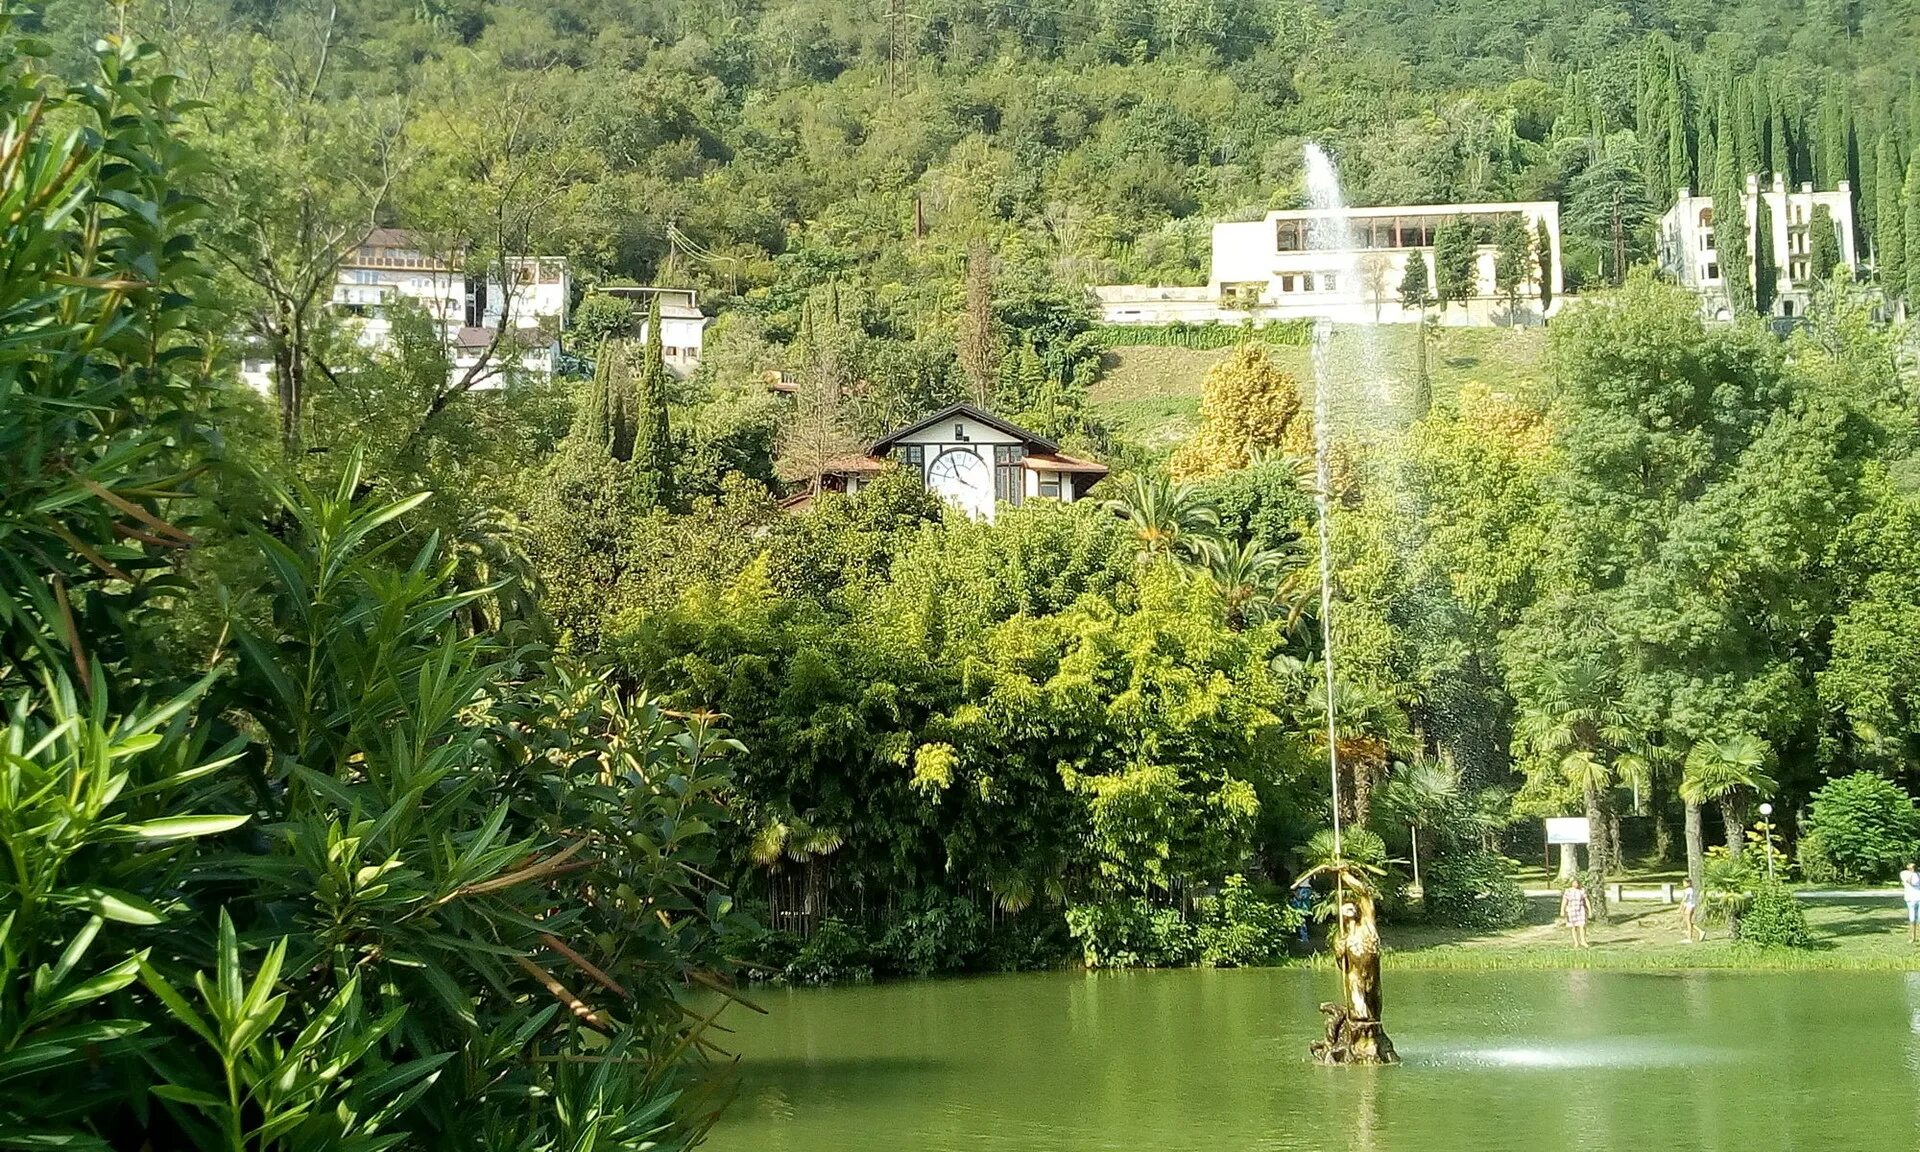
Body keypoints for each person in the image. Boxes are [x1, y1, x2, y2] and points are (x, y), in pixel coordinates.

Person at [1559, 877, 1591, 949]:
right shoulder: (1568, 891)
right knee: (1573, 927)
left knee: (1582, 925)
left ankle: (1583, 941)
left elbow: (1586, 900)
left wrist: (1589, 910)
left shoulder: (1582, 891)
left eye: (1576, 883)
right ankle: (1576, 942)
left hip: (1580, 909)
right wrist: (1562, 910)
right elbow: (1564, 901)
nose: (1575, 884)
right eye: (1573, 883)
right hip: (1571, 910)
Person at [1901, 863, 1920, 943]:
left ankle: (1917, 936)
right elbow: (1909, 881)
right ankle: (1912, 937)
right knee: (1912, 919)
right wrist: (1912, 873)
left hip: (1918, 898)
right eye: (1911, 868)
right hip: (1910, 899)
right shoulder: (1904, 874)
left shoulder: (1918, 874)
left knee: (1919, 919)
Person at [1678, 879, 1701, 943]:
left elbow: (1684, 900)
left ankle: (1689, 938)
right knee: (1688, 922)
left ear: (1688, 883)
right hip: (1692, 906)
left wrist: (1680, 908)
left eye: (1684, 883)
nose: (1683, 884)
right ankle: (1698, 932)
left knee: (1688, 923)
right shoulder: (1692, 890)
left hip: (1689, 907)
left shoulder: (1687, 891)